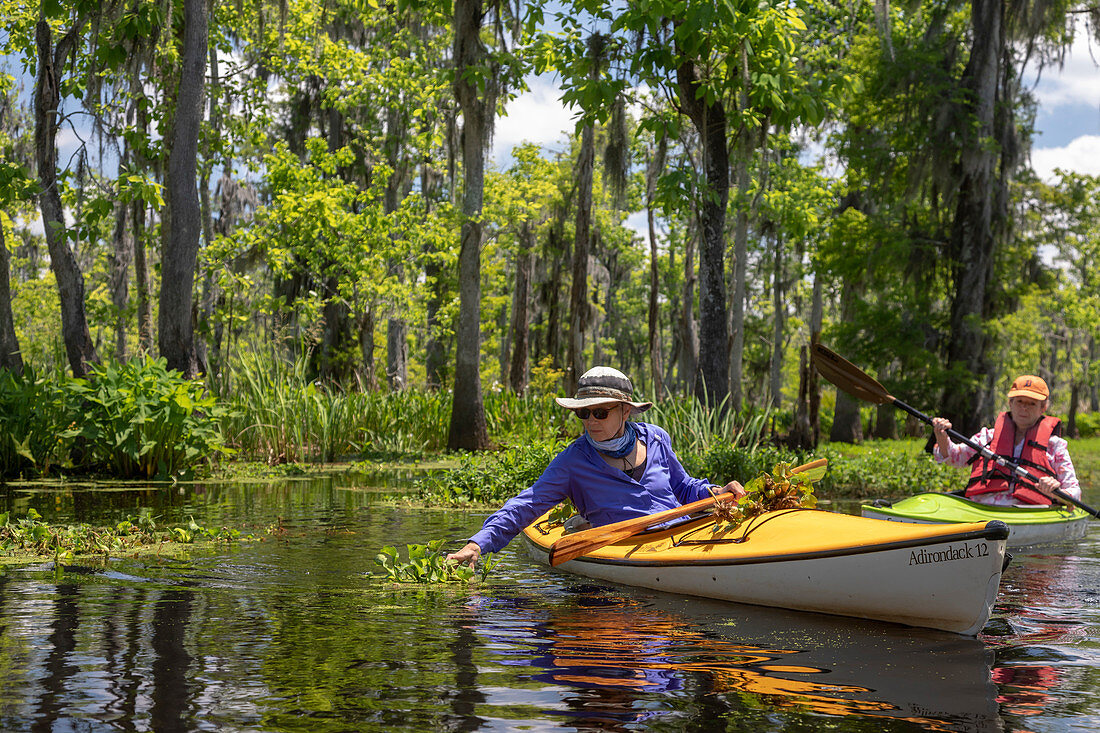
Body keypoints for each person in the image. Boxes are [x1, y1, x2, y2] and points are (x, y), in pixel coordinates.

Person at [446, 366, 746, 566]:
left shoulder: (656, 438)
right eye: (583, 414)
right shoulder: (573, 461)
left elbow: (683, 487)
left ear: (625, 411)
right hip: (628, 549)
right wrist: (477, 544)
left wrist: (717, 492)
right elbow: (526, 505)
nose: (590, 421)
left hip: (684, 535)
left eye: (600, 413)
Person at [931, 374, 1080, 507]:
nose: (1024, 408)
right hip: (983, 510)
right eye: (1019, 401)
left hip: (1027, 513)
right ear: (1010, 403)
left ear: (1043, 407)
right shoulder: (987, 437)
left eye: (1032, 403)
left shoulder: (1055, 446)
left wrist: (1055, 491)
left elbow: (1074, 494)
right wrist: (942, 436)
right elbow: (955, 458)